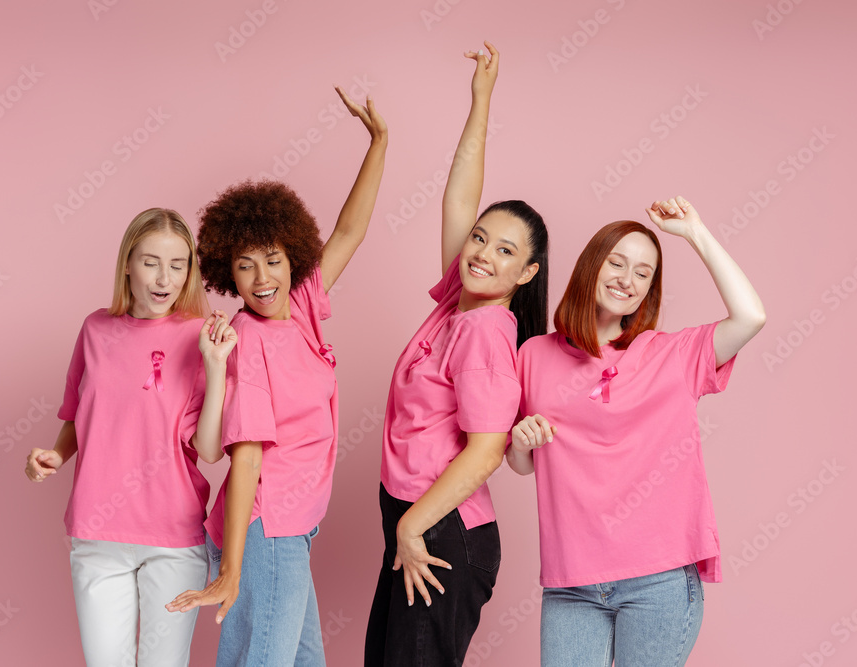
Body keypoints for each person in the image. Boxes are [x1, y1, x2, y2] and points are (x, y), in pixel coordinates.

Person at [165, 85, 387, 666]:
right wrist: (233, 571)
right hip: (266, 531)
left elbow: (348, 232)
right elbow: (245, 459)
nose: (262, 277)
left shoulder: (303, 306)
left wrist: (379, 142)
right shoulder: (249, 342)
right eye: (245, 266)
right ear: (227, 277)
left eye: (272, 260)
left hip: (294, 529)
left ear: (293, 259)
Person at [508, 198, 766, 666]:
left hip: (659, 581)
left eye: (643, 273)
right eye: (617, 262)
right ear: (592, 265)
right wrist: (522, 442)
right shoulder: (533, 355)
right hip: (571, 582)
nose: (627, 280)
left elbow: (751, 317)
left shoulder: (676, 354)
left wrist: (696, 234)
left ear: (650, 288)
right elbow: (523, 464)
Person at [364, 42, 549, 666]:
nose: (481, 253)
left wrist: (413, 526)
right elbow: (458, 196)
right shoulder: (456, 303)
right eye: (480, 239)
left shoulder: (484, 329)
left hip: (442, 532)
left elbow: (489, 446)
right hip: (415, 522)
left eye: (505, 252)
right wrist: (481, 100)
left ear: (527, 274)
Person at [24, 207, 237, 666]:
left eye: (178, 265)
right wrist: (55, 456)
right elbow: (77, 415)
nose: (164, 277)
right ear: (127, 263)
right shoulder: (95, 330)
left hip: (174, 539)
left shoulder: (202, 336)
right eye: (150, 262)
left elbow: (211, 450)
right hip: (98, 536)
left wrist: (215, 366)